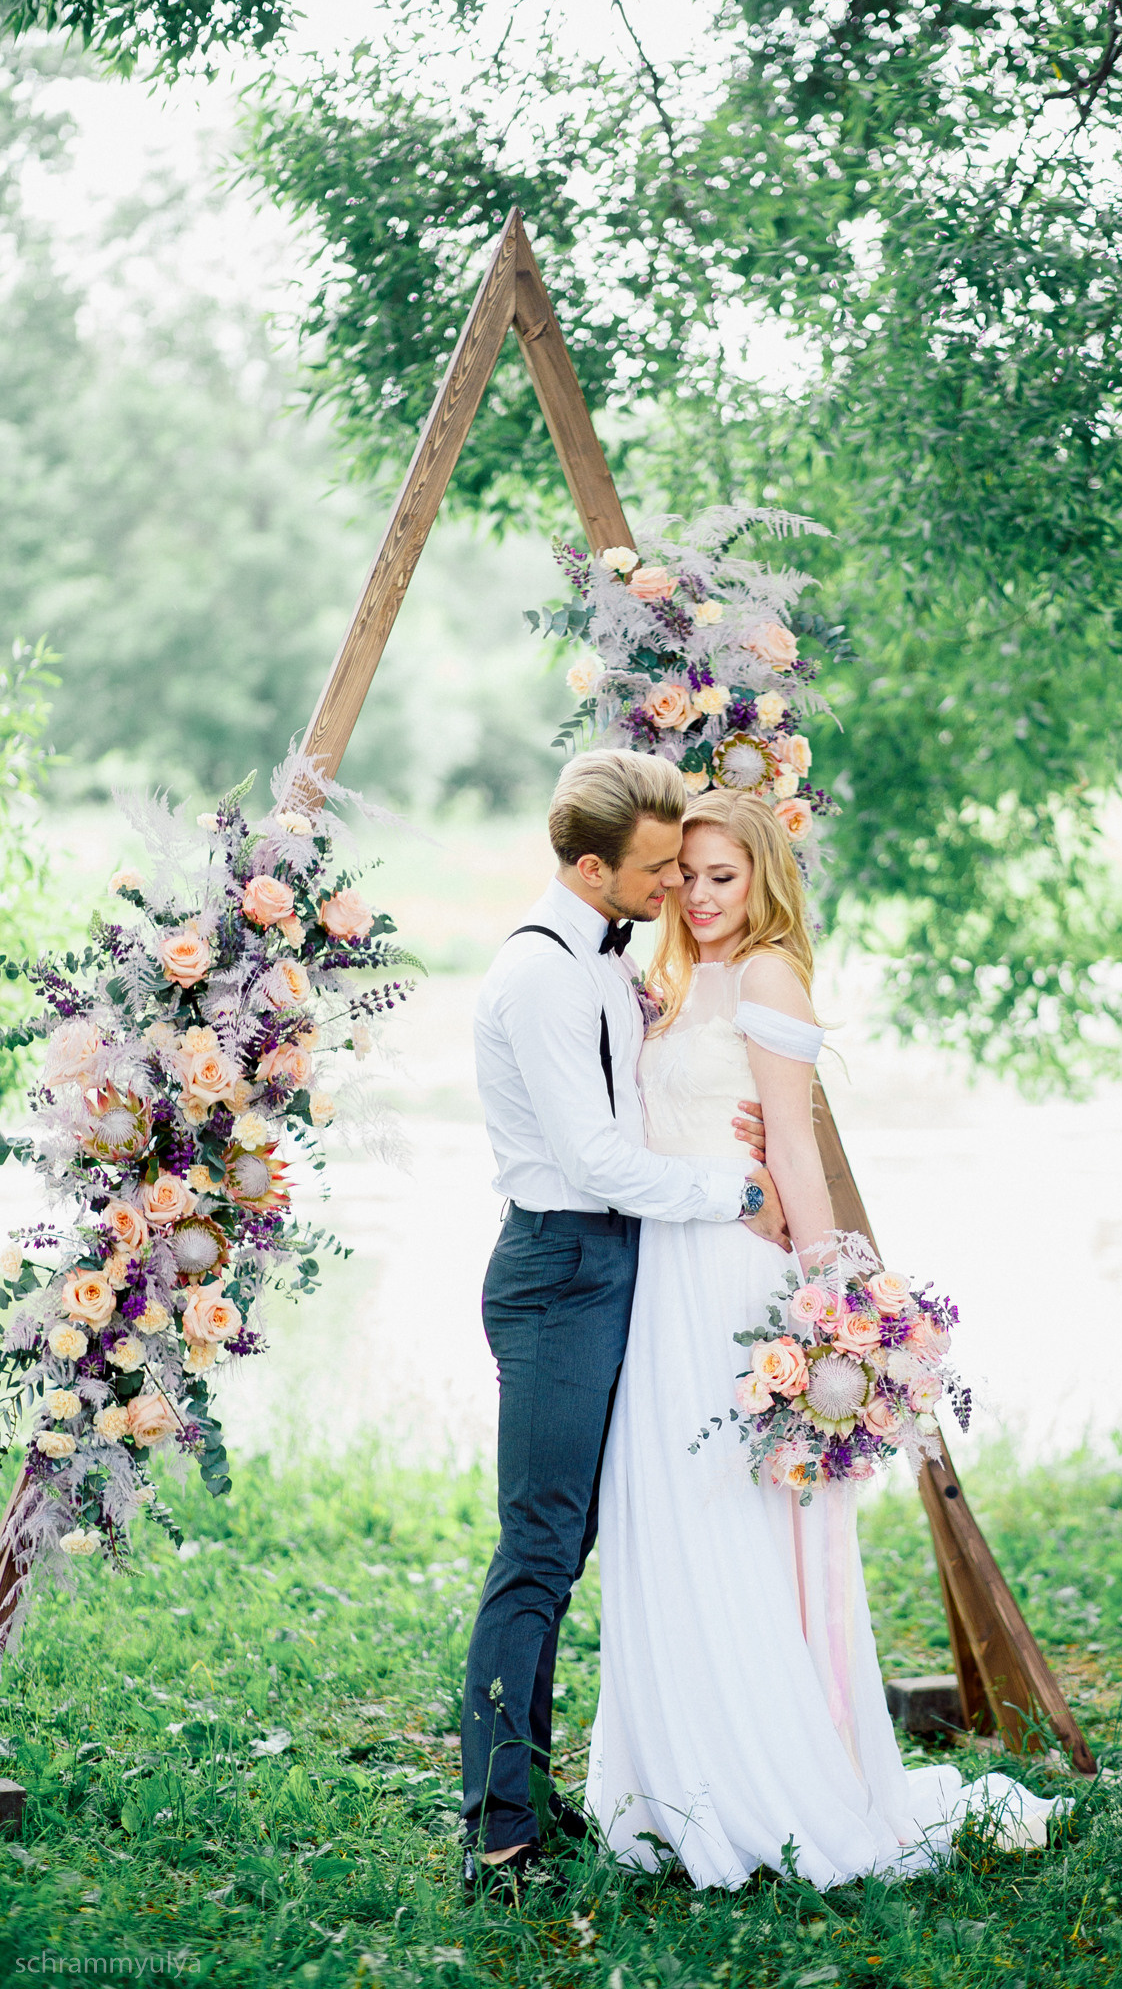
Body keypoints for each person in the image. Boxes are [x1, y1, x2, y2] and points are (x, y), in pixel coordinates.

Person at [587, 788, 1062, 1889]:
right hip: (666, 1275)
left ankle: (774, 1774)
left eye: (724, 876)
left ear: (761, 878)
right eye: (688, 875)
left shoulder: (767, 973)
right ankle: (679, 1773)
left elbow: (793, 1151)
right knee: (674, 1513)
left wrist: (832, 1310)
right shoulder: (672, 979)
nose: (701, 896)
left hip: (735, 1285)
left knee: (744, 1520)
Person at [461, 750, 787, 1899]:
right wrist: (734, 1194)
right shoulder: (544, 975)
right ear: (591, 866)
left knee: (569, 1540)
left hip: (610, 1259)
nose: (670, 889)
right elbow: (595, 1158)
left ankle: (526, 1788)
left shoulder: (603, 961)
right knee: (538, 1550)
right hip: (560, 1265)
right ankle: (499, 1837)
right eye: (655, 868)